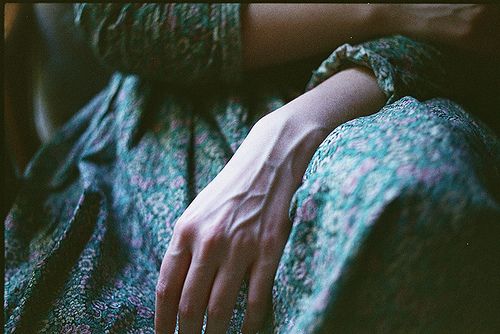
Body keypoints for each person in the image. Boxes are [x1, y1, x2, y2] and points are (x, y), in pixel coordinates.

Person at [4, 4, 500, 333]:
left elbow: (472, 24)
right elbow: (122, 19)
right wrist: (394, 7)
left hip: (386, 89)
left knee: (416, 203)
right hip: (171, 110)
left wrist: (295, 123)